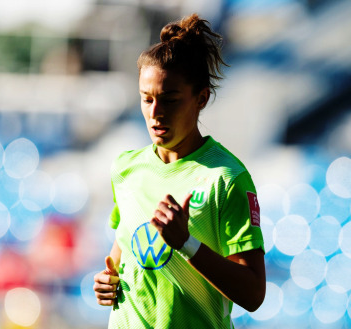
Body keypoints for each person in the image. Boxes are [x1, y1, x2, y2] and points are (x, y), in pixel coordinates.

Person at [93, 13, 266, 329]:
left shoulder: (226, 178)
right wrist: (107, 280)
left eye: (169, 99)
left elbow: (254, 294)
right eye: (147, 99)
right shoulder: (126, 168)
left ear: (201, 98)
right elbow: (122, 253)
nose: (155, 113)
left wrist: (186, 242)